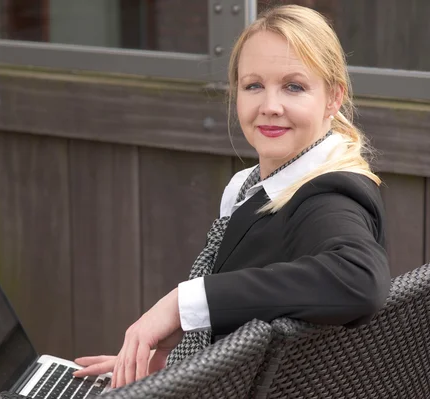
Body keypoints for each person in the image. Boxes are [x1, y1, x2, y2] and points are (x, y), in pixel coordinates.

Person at [73, 4, 391, 389]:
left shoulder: (329, 195)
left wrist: (182, 304)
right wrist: (169, 371)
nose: (269, 107)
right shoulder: (252, 184)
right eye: (253, 85)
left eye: (294, 86)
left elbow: (359, 281)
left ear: (333, 98)